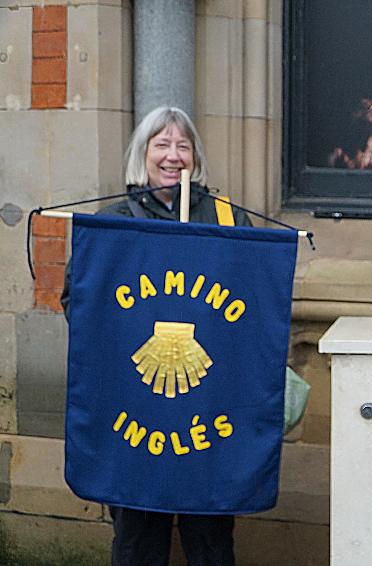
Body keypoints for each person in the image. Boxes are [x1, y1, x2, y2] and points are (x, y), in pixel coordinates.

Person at [62, 106, 249, 566]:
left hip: (208, 412)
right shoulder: (113, 221)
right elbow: (78, 301)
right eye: (161, 145)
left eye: (182, 145)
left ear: (196, 157)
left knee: (210, 535)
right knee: (138, 536)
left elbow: (252, 301)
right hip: (136, 410)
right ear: (142, 155)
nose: (173, 156)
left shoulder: (228, 218)